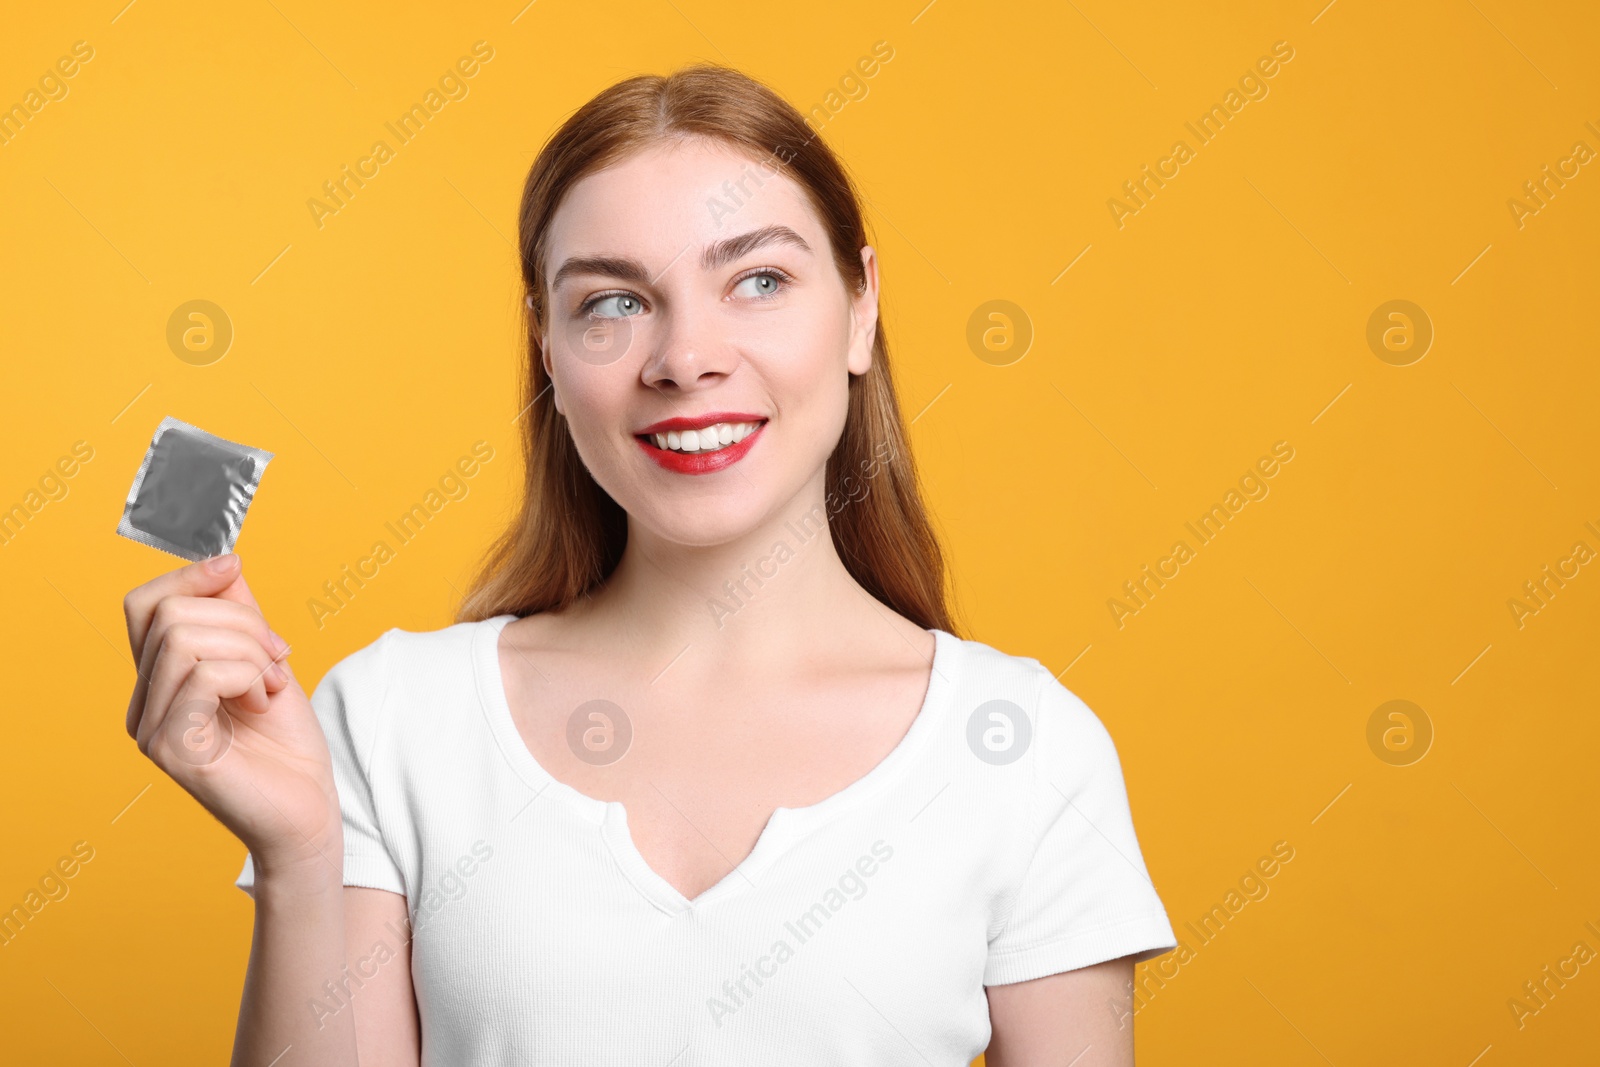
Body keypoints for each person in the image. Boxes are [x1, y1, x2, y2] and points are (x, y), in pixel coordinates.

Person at [121, 63, 1176, 1066]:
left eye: (758, 279)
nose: (684, 357)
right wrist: (303, 855)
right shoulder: (392, 718)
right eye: (614, 302)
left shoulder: (1025, 750)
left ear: (860, 307)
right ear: (546, 345)